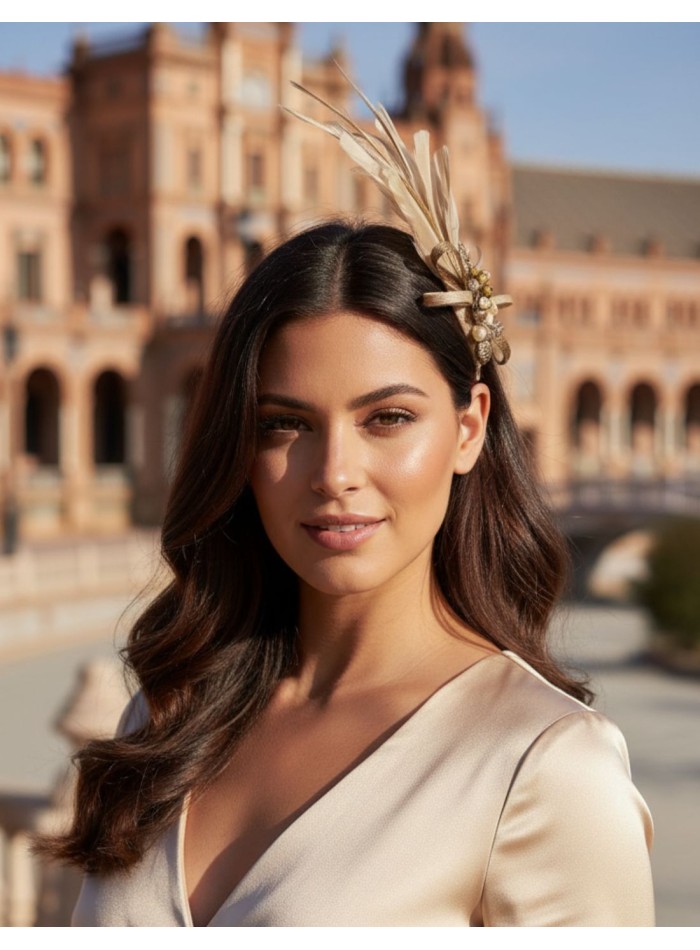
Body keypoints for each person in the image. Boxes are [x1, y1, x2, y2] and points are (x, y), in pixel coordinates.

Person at [41, 80, 654, 928]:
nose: (334, 472)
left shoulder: (544, 768)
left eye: (387, 418)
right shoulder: (170, 714)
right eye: (284, 424)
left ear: (469, 427)